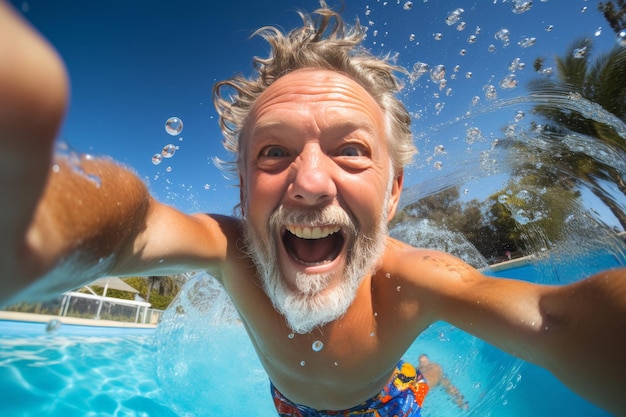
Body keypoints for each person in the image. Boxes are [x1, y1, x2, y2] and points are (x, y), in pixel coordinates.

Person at [1, 1, 626, 416]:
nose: (310, 183)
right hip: (289, 406)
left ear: (393, 190)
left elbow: (557, 320)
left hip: (383, 407)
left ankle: (425, 372)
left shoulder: (410, 283)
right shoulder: (234, 254)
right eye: (274, 152)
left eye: (350, 151)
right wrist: (44, 215)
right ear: (243, 193)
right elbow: (135, 227)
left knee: (416, 385)